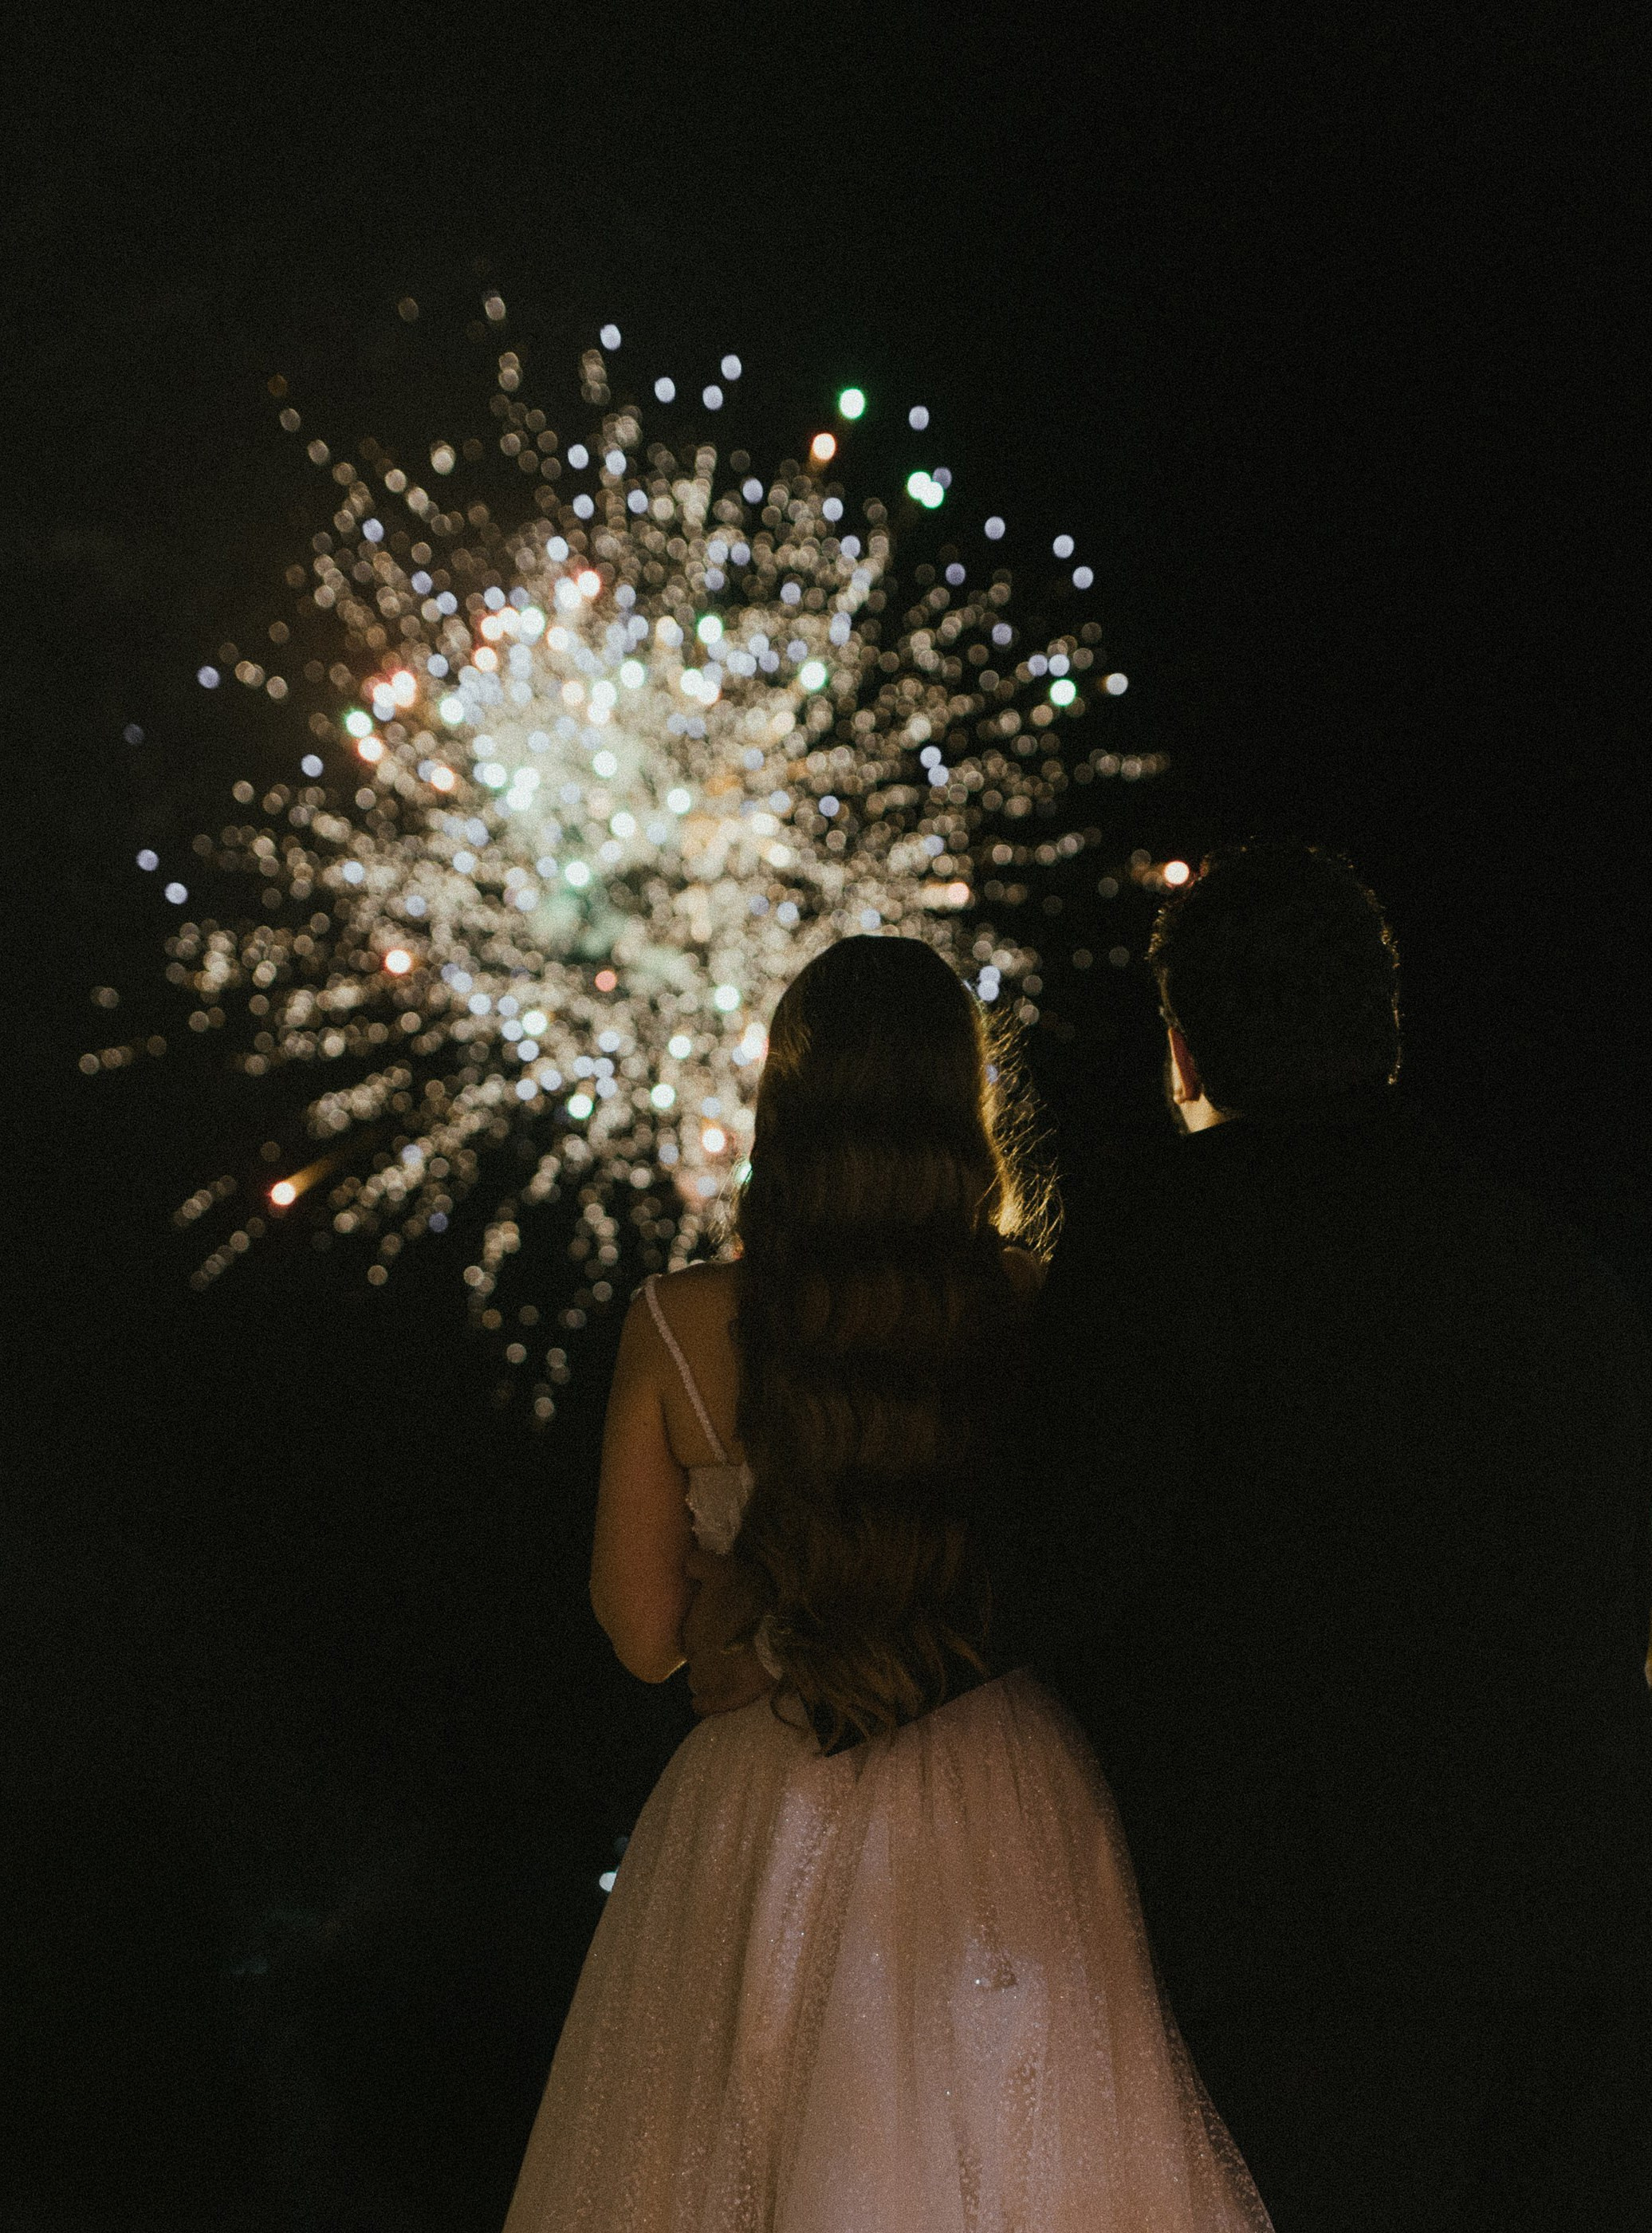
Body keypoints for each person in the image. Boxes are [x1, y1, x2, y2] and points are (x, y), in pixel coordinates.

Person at [502, 935, 1273, 2231]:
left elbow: (643, 1636)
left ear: (785, 1100)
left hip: (760, 1793)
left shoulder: (677, 1324)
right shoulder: (1036, 1309)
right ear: (964, 1106)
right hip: (1004, 1779)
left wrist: (743, 1604)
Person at [1024, 841, 1652, 2231]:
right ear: (1386, 1026)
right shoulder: (1549, 1269)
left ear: (1184, 1052)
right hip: (1580, 1925)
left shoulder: (1156, 1255)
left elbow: (1063, 1572)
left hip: (1296, 1949)